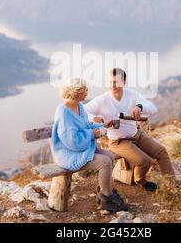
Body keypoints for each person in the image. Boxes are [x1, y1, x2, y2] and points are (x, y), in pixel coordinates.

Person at [84, 68, 175, 191]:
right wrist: (95, 118)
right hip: (119, 142)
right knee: (145, 161)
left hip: (137, 135)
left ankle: (172, 188)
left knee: (161, 152)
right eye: (110, 82)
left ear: (124, 82)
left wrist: (139, 107)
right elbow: (83, 110)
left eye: (116, 82)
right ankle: (141, 181)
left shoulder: (132, 94)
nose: (112, 86)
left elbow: (152, 108)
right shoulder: (102, 100)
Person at [50, 78, 128, 212]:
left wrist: (102, 126)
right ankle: (106, 198)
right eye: (85, 89)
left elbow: (86, 126)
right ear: (79, 92)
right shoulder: (63, 112)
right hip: (69, 153)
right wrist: (94, 134)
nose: (87, 92)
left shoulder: (79, 106)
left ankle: (106, 190)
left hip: (81, 149)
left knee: (109, 155)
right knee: (104, 162)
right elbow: (72, 141)